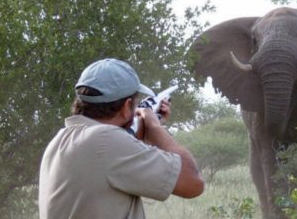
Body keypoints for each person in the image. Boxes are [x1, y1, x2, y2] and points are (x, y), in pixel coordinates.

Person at [38, 58, 204, 219]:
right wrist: (154, 127)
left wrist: (142, 130)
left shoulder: (60, 140)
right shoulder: (105, 140)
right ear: (126, 107)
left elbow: (112, 167)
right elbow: (193, 183)